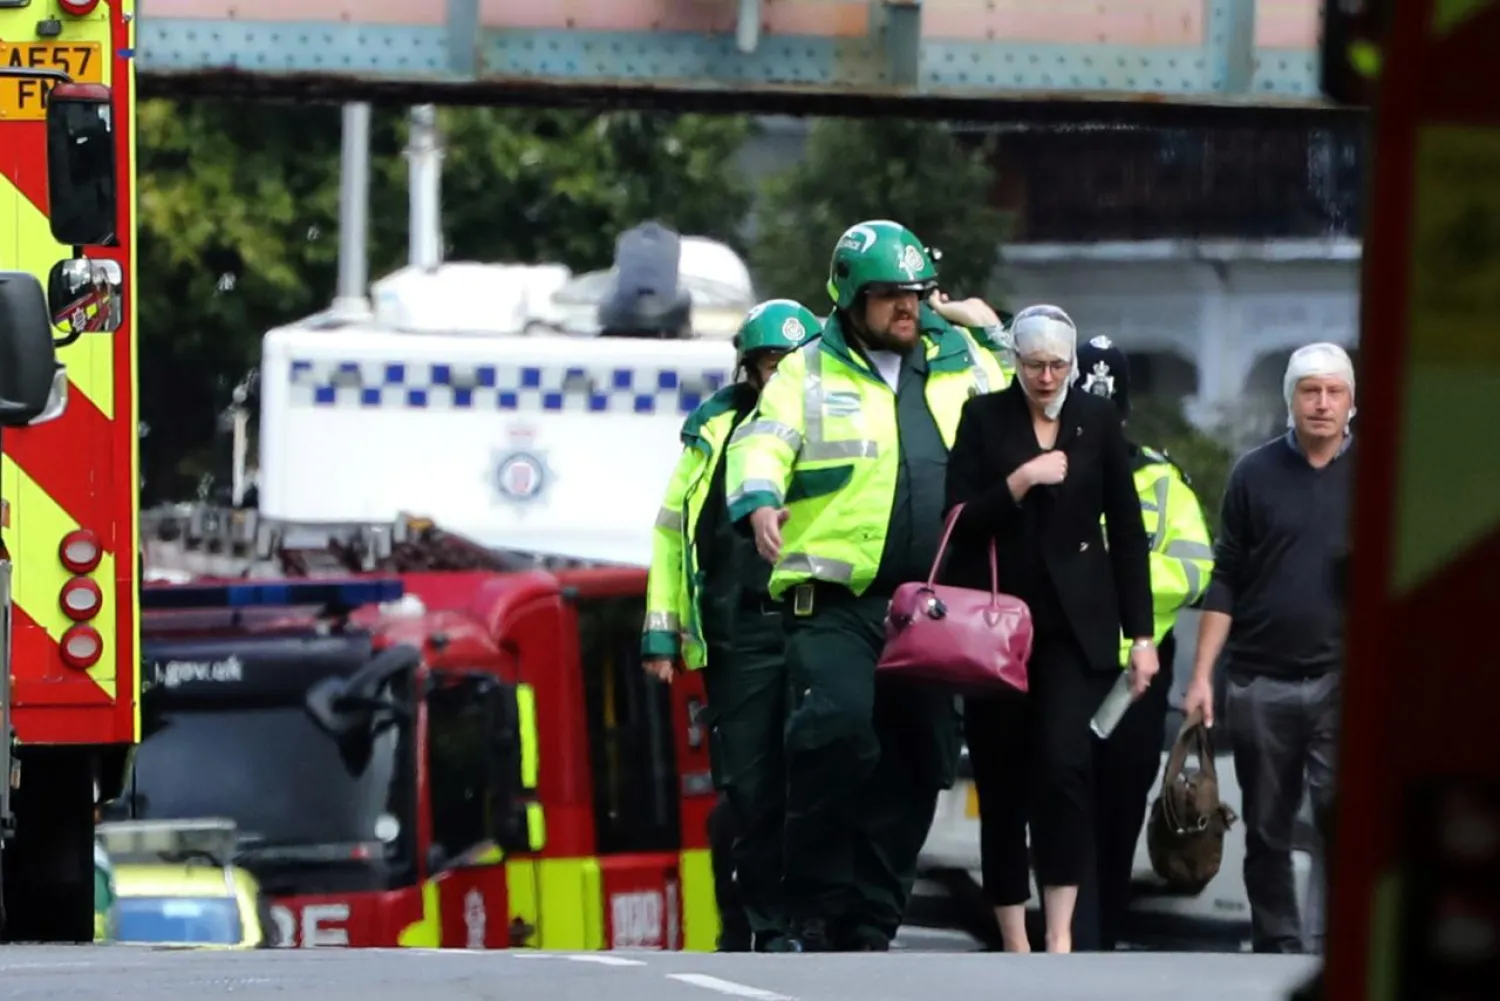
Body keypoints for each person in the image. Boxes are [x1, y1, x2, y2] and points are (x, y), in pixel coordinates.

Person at [724, 219, 1005, 952]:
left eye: (914, 295)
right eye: (889, 297)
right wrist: (758, 501)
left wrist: (995, 330)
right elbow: (763, 438)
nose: (907, 310)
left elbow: (1026, 402)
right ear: (850, 297)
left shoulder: (957, 355)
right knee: (836, 735)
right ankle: (811, 906)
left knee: (921, 758)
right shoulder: (808, 369)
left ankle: (873, 920)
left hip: (931, 609)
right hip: (836, 603)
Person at [942, 305, 1158, 954]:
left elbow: (1126, 533)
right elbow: (956, 519)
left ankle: (1059, 931)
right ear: (1016, 360)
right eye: (1035, 364)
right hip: (994, 628)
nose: (1046, 376)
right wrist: (1018, 481)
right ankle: (1015, 934)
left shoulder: (1096, 422)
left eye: (1058, 365)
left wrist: (1141, 635)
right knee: (1001, 776)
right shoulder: (983, 418)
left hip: (1074, 630)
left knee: (1063, 768)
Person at [641, 298, 821, 952]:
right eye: (770, 361)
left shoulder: (837, 421)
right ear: (749, 366)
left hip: (814, 619)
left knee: (818, 769)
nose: (779, 374)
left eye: (792, 362)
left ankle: (804, 918)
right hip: (738, 631)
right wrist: (661, 631)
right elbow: (672, 532)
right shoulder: (713, 428)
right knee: (749, 785)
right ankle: (766, 925)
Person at [1183, 342, 1355, 955]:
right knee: (1267, 826)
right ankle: (1278, 944)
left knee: (1344, 820)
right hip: (1259, 678)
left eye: (1334, 391)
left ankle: (1337, 946)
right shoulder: (1252, 474)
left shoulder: (1376, 472)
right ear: (1290, 400)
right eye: (1310, 391)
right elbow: (1224, 576)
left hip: (1342, 679)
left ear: (1352, 402)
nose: (1322, 403)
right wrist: (1202, 676)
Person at [1069, 334, 1216, 951]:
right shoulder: (1046, 471)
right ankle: (1068, 935)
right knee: (1063, 804)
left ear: (1123, 412)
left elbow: (1193, 568)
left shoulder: (1161, 480)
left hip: (1136, 673)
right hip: (1062, 665)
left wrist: (1108, 593)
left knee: (1121, 806)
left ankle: (1100, 940)